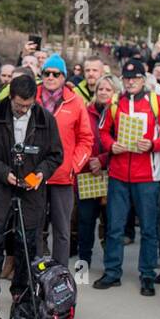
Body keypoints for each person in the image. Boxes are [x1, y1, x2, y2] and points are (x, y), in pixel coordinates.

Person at [0, 73, 63, 319]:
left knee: (27, 244)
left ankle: (21, 292)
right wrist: (4, 173)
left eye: (29, 104)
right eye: (20, 104)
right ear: (10, 96)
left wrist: (40, 174)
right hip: (0, 188)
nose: (24, 109)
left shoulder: (46, 118)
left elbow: (55, 155)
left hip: (31, 192)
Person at [93, 59, 160, 295]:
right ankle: (112, 273)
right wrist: (112, 146)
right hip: (119, 173)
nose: (130, 82)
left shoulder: (156, 102)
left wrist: (152, 144)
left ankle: (147, 275)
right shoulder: (113, 102)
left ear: (143, 79)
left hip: (148, 175)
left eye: (135, 78)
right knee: (115, 226)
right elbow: (103, 132)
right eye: (127, 78)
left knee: (149, 228)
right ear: (122, 80)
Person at [36, 55, 92, 267]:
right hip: (35, 176)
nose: (50, 77)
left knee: (62, 231)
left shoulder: (76, 102)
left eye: (55, 74)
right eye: (46, 73)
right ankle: (36, 272)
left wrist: (73, 166)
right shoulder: (32, 97)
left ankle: (59, 277)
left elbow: (86, 139)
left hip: (63, 176)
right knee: (35, 229)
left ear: (63, 76)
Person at [76, 75, 118, 269]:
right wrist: (88, 162)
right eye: (100, 89)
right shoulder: (86, 112)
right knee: (85, 222)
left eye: (108, 89)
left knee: (110, 223)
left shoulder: (121, 114)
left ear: (115, 92)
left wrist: (102, 160)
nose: (103, 92)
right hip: (87, 175)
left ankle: (110, 268)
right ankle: (83, 265)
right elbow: (80, 139)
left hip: (112, 175)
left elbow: (123, 143)